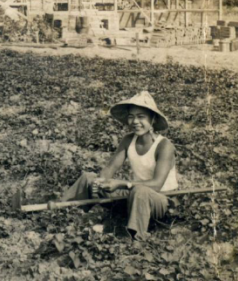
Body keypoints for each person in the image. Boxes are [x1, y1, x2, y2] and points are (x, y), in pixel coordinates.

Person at [58, 91, 178, 240]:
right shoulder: (128, 140)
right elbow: (110, 168)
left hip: (161, 202)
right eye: (131, 116)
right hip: (135, 197)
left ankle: (135, 237)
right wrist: (100, 182)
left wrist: (121, 184)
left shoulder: (164, 146)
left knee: (141, 191)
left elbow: (157, 185)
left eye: (141, 117)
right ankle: (60, 213)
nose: (135, 121)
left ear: (152, 119)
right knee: (88, 178)